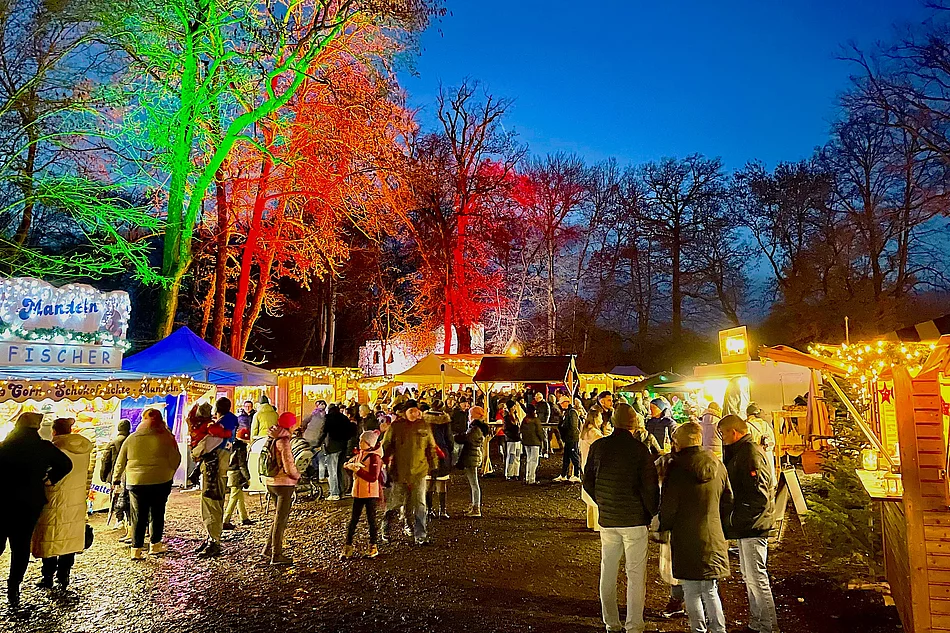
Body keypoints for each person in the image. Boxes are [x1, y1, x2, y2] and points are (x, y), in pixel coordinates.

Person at [583, 403, 660, 633]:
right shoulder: (639, 451)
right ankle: (634, 624)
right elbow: (649, 488)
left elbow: (588, 480)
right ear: (634, 424)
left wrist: (603, 503)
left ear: (613, 422)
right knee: (635, 575)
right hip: (634, 521)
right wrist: (651, 512)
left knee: (608, 569)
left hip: (608, 519)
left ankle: (611, 622)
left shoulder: (599, 447)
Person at [658, 423, 732, 633]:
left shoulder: (676, 469)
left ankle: (698, 629)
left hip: (685, 537)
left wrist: (663, 527)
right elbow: (728, 500)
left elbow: (668, 506)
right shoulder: (718, 465)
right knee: (710, 589)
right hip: (713, 534)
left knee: (690, 590)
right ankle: (719, 629)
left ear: (680, 442)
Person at [0, 413, 72, 609]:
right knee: (20, 546)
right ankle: (13, 589)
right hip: (29, 503)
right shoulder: (43, 447)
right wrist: (49, 478)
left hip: (2, 502)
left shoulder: (4, 446)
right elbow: (66, 464)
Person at [719, 414, 779, 633]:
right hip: (749, 525)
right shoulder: (743, 452)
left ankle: (768, 626)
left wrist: (737, 519)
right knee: (750, 575)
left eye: (723, 433)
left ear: (734, 433)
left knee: (756, 577)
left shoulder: (749, 455)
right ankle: (759, 622)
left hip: (753, 525)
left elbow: (758, 495)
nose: (722, 438)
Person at [32, 417, 93, 591]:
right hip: (76, 499)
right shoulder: (83, 449)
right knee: (69, 537)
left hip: (54, 497)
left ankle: (48, 575)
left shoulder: (54, 448)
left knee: (51, 535)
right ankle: (64, 575)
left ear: (54, 431)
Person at [113, 408, 182, 561]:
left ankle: (136, 549)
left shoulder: (132, 438)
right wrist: (169, 471)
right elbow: (176, 458)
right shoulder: (167, 438)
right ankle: (155, 545)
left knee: (138, 515)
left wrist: (116, 479)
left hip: (136, 482)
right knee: (157, 513)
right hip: (161, 480)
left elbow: (120, 461)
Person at [381, 406, 439, 545]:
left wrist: (434, 466)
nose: (415, 413)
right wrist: (384, 463)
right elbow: (386, 445)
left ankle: (420, 535)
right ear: (405, 412)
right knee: (395, 504)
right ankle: (386, 529)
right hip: (399, 471)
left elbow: (431, 447)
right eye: (411, 410)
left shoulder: (424, 426)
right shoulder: (396, 427)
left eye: (417, 410)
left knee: (420, 505)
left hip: (419, 471)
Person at [193, 398, 235, 558]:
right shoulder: (231, 422)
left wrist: (195, 452)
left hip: (213, 472)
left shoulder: (219, 427)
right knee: (216, 504)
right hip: (221, 470)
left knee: (211, 506)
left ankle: (213, 540)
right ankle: (212, 537)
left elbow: (205, 446)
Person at [259, 412, 300, 565]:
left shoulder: (271, 437)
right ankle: (277, 554)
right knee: (281, 520)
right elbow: (289, 465)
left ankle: (268, 549)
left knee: (278, 518)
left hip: (271, 481)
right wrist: (297, 476)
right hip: (283, 483)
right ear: (290, 425)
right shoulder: (284, 441)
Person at [342, 431, 384, 559]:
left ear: (369, 443)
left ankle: (373, 545)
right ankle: (347, 546)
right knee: (353, 520)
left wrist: (358, 470)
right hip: (358, 492)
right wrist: (348, 467)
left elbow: (373, 477)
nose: (359, 443)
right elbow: (348, 464)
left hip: (370, 493)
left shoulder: (374, 457)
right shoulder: (360, 454)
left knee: (371, 520)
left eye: (362, 441)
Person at [456, 406, 490, 517]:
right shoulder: (478, 427)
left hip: (471, 456)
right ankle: (474, 506)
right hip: (473, 455)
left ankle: (476, 508)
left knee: (474, 483)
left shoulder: (475, 428)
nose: (469, 416)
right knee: (473, 483)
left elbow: (467, 439)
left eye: (471, 414)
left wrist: (456, 437)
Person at [319, 404, 357, 501]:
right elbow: (350, 432)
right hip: (343, 447)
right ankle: (342, 491)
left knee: (332, 471)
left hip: (332, 448)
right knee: (340, 470)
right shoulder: (344, 418)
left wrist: (318, 443)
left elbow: (323, 431)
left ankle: (334, 493)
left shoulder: (328, 418)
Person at [100, 418, 132, 531]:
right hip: (130, 475)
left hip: (115, 476)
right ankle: (129, 521)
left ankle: (119, 520)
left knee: (115, 498)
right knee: (129, 499)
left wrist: (103, 476)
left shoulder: (112, 443)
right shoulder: (132, 440)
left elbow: (105, 461)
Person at [424, 401, 453, 519]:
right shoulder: (444, 420)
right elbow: (449, 438)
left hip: (427, 452)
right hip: (442, 451)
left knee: (428, 481)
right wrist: (449, 451)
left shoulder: (424, 420)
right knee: (441, 481)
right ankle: (442, 510)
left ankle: (429, 509)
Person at [580, 408, 606, 531]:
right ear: (595, 418)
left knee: (589, 493)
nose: (602, 419)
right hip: (595, 465)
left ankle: (590, 522)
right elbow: (603, 448)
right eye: (600, 417)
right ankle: (597, 524)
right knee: (596, 495)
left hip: (585, 463)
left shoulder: (585, 431)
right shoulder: (595, 433)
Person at [223, 427, 253, 531]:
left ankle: (244, 518)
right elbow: (242, 464)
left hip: (230, 472)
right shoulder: (241, 448)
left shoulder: (232, 445)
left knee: (239, 497)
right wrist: (247, 477)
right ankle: (225, 520)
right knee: (234, 497)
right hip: (236, 474)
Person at [746, 404, 777, 485]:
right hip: (768, 454)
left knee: (760, 478)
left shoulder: (747, 426)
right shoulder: (765, 424)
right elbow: (773, 441)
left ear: (748, 414)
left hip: (756, 455)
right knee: (770, 477)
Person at [554, 396, 581, 483]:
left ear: (566, 402)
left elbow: (573, 426)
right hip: (569, 438)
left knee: (574, 456)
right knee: (566, 457)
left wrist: (564, 429)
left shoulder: (571, 412)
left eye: (562, 403)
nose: (560, 405)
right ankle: (563, 475)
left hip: (571, 438)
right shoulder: (568, 412)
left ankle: (577, 475)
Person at [302, 400, 328, 480]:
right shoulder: (325, 417)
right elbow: (324, 430)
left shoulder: (312, 415)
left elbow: (304, 422)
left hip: (308, 438)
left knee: (311, 456)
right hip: (318, 439)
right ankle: (320, 477)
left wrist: (304, 430)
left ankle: (312, 472)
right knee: (321, 458)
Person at [520, 404, 545, 485]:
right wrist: (542, 439)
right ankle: (532, 478)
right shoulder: (536, 420)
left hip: (527, 442)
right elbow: (539, 432)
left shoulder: (525, 420)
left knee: (529, 460)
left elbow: (521, 430)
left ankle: (527, 477)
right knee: (534, 461)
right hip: (535, 442)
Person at [503, 401, 523, 480]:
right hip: (511, 440)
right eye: (514, 406)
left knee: (517, 456)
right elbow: (506, 429)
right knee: (511, 456)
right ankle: (509, 473)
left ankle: (516, 473)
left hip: (517, 439)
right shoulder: (507, 418)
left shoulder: (515, 416)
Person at [449, 398, 470, 466]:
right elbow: (451, 422)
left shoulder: (467, 412)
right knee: (455, 450)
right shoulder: (455, 412)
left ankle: (459, 463)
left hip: (464, 432)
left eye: (466, 403)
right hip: (456, 432)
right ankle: (454, 463)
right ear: (460, 404)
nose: (465, 404)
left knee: (462, 449)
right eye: (463, 403)